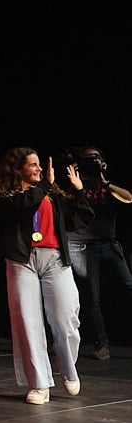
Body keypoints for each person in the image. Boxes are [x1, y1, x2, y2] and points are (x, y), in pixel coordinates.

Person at [0, 147, 92, 405]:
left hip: (54, 259)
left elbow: (79, 219)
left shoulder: (50, 195)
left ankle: (67, 367)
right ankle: (39, 384)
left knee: (66, 318)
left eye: (40, 165)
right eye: (33, 165)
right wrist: (45, 186)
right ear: (17, 168)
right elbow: (22, 206)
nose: (40, 170)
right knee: (28, 322)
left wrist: (78, 191)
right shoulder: (5, 195)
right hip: (23, 260)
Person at [62, 146, 132, 360]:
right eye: (87, 160)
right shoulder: (74, 184)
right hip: (84, 248)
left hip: (109, 245)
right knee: (92, 296)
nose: (92, 163)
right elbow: (68, 206)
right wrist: (77, 185)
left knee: (128, 286)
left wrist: (105, 182)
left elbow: (129, 198)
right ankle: (101, 343)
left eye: (95, 159)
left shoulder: (106, 185)